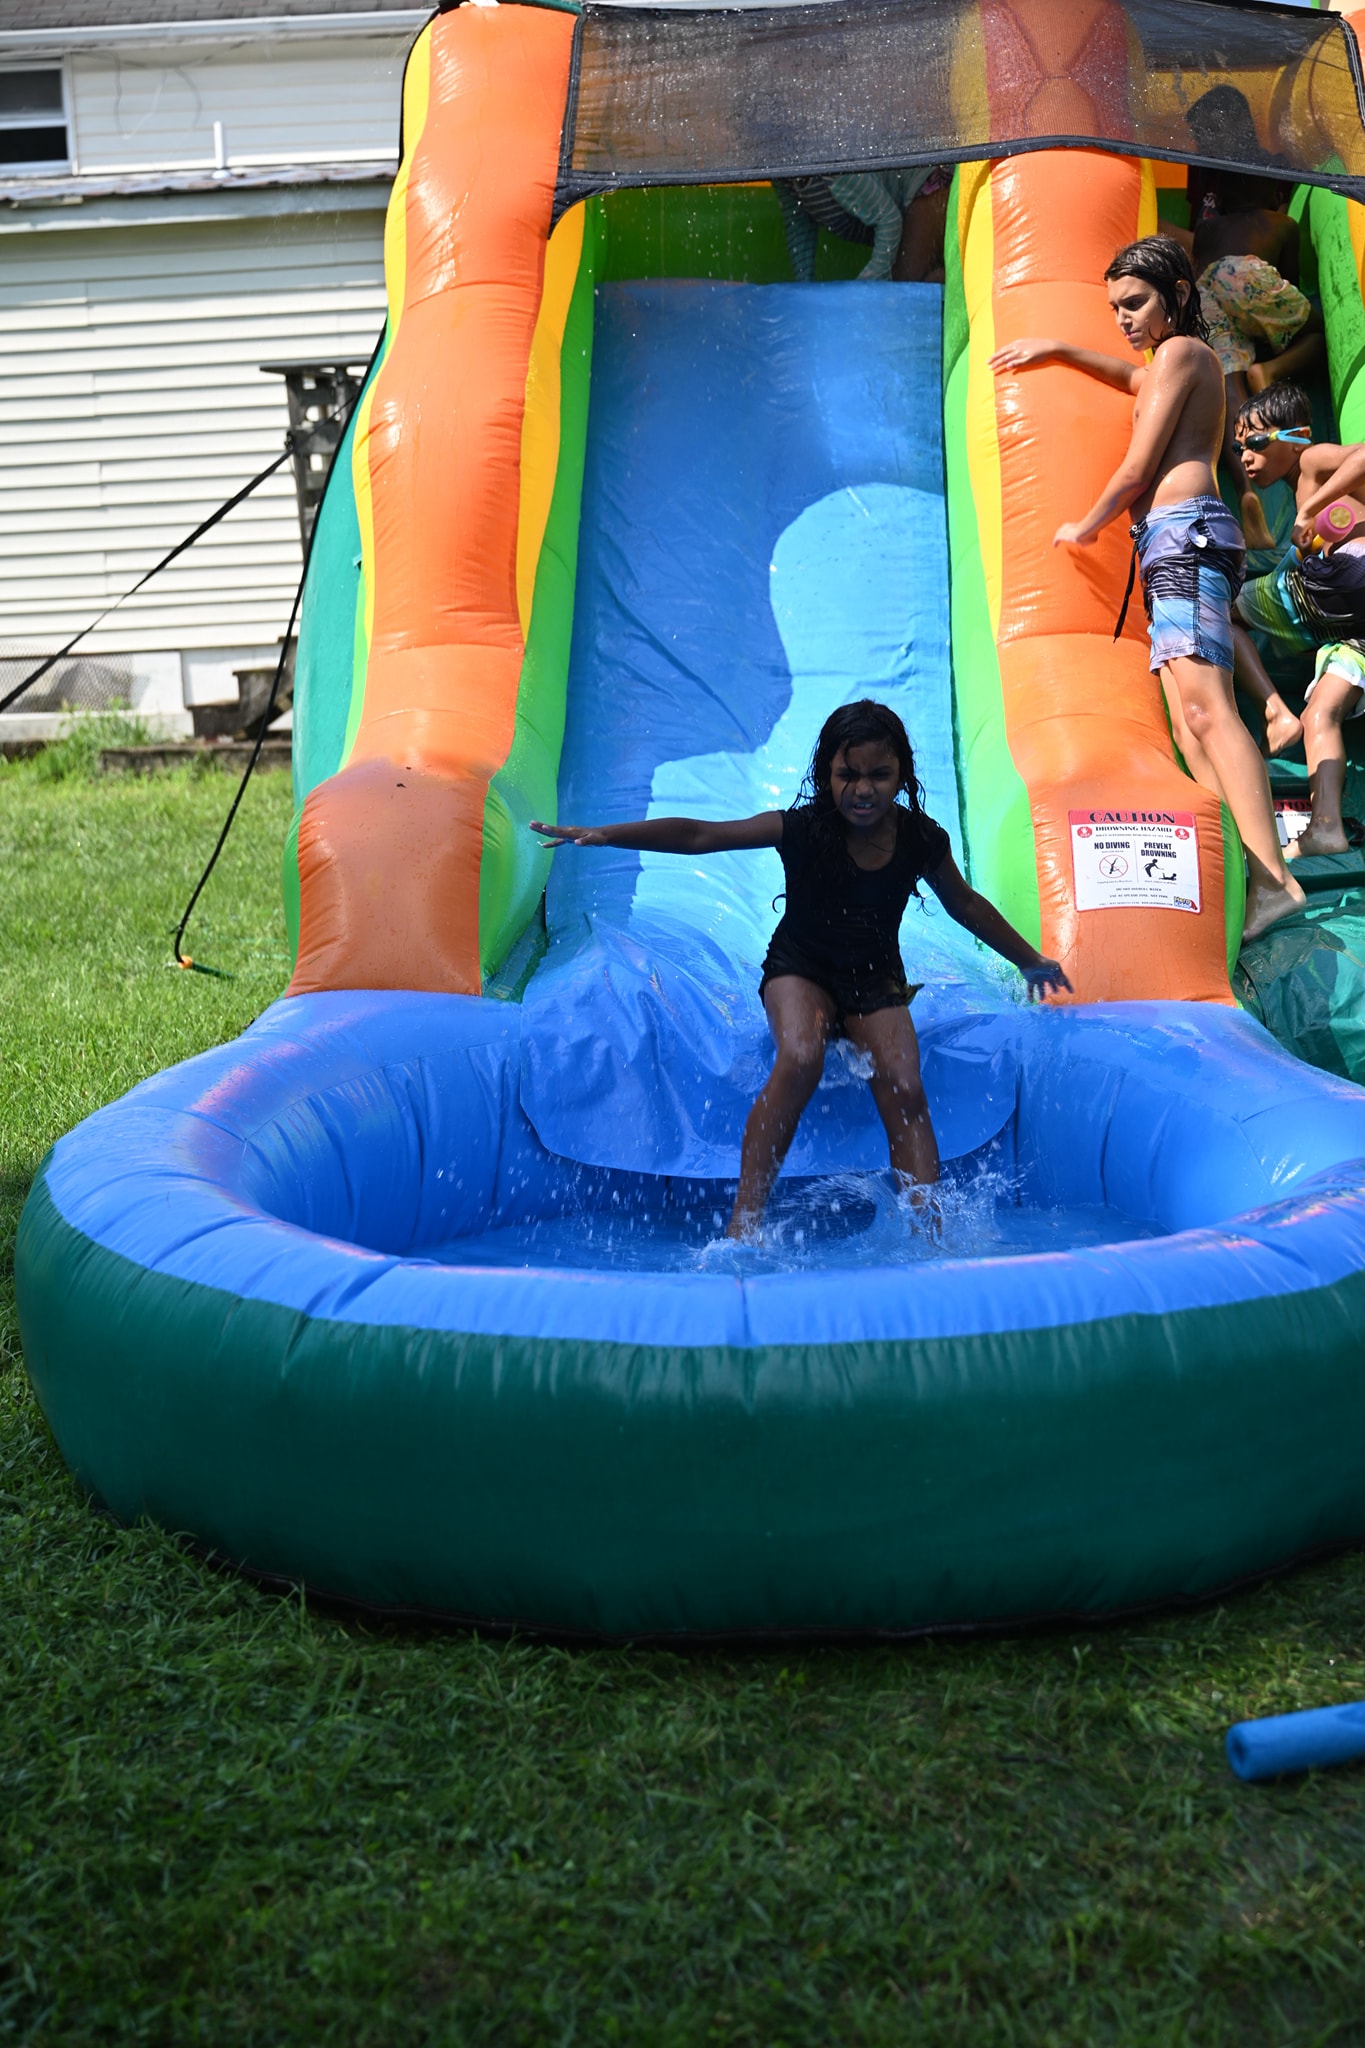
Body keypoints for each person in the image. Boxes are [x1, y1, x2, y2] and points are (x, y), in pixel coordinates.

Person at [531, 701, 1070, 1239]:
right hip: (800, 969)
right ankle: (745, 1224)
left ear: (903, 774)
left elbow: (966, 905)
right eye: (848, 774)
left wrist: (1030, 961)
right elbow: (701, 835)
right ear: (825, 775)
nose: (863, 789)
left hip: (875, 977)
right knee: (801, 1054)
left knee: (906, 1085)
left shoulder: (920, 839)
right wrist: (604, 835)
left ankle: (927, 1233)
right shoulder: (803, 828)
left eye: (879, 774)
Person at [988, 233, 1305, 941]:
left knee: (1208, 715)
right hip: (1171, 542)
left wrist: (1086, 523)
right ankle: (1245, 876)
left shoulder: (1182, 354)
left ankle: (1274, 878)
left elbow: (1136, 467)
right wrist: (1058, 351)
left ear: (1178, 296)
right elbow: (1129, 379)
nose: (1122, 318)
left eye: (1134, 302)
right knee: (1190, 727)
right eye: (1113, 308)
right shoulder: (1167, 364)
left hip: (1184, 533)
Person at [1233, 382, 1365, 856]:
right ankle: (1326, 827)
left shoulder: (1312, 461)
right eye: (1237, 448)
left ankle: (1273, 711)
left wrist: (1311, 506)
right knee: (1321, 713)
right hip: (1353, 624)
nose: (1245, 457)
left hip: (1342, 583)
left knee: (1213, 610)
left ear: (1297, 436)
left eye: (1255, 442)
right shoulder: (1300, 488)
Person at [1188, 169, 1323, 549]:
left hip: (1207, 286)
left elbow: (1204, 269)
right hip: (1249, 275)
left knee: (1229, 379)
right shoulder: (1281, 224)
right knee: (1314, 330)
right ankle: (1270, 369)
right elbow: (1289, 284)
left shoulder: (1207, 232)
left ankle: (1245, 491)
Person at [775, 170, 932, 283]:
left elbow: (889, 219)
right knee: (925, 279)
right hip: (905, 211)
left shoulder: (832, 164)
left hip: (930, 190)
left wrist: (864, 286)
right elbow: (798, 225)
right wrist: (803, 289)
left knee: (904, 287)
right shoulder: (781, 171)